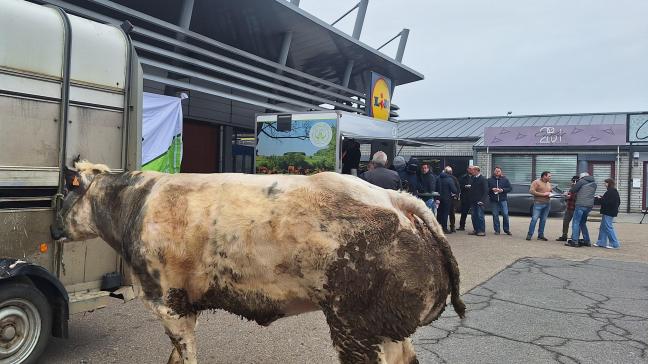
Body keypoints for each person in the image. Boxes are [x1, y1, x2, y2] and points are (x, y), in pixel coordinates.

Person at [566, 172, 597, 247]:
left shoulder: (582, 181)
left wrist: (575, 185)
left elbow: (573, 190)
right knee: (582, 223)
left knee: (576, 222)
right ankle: (587, 241)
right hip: (589, 206)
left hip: (580, 204)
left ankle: (575, 241)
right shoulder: (594, 183)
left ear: (582, 177)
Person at [594, 178, 621, 249]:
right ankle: (601, 242)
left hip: (608, 212)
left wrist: (599, 198)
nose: (604, 184)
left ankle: (614, 243)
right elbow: (615, 201)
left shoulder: (610, 192)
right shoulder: (613, 191)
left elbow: (607, 202)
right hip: (609, 211)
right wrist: (602, 198)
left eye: (605, 183)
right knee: (603, 227)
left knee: (608, 227)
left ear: (609, 183)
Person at [527, 171, 552, 241]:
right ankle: (529, 234)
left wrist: (550, 193)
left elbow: (550, 191)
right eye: (549, 176)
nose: (550, 177)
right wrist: (543, 194)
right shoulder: (536, 182)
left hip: (547, 204)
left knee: (543, 220)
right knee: (534, 219)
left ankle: (540, 235)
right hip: (538, 203)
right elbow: (531, 191)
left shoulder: (548, 183)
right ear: (544, 176)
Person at [487, 166, 512, 235]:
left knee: (505, 214)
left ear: (501, 172)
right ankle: (497, 230)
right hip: (494, 200)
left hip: (503, 200)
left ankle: (506, 230)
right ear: (494, 172)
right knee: (495, 215)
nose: (497, 172)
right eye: (496, 171)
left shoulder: (505, 179)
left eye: (499, 171)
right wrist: (492, 189)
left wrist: (502, 190)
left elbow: (510, 188)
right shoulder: (489, 180)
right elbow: (486, 189)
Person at [556, 175, 580, 241]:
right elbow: (568, 197)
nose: (572, 182)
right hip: (569, 207)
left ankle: (574, 237)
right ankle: (564, 235)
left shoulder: (580, 188)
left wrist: (569, 196)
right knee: (565, 222)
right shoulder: (572, 187)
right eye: (572, 181)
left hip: (575, 208)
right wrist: (566, 196)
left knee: (575, 224)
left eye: (574, 181)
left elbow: (577, 198)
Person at [436, 167, 458, 233]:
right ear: (450, 172)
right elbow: (454, 190)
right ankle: (444, 229)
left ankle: (438, 228)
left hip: (438, 198)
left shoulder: (438, 178)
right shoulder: (449, 179)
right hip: (447, 199)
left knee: (439, 213)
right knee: (445, 214)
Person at [467, 166, 488, 236]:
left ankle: (481, 230)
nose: (471, 171)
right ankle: (476, 230)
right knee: (473, 216)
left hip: (479, 201)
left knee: (480, 216)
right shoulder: (473, 178)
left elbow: (485, 191)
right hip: (473, 201)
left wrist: (482, 200)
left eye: (472, 170)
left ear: (476, 171)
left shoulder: (483, 179)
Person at [457, 166, 474, 231]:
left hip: (473, 197)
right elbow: (459, 186)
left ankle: (476, 228)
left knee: (474, 214)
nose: (471, 170)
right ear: (467, 169)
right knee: (464, 213)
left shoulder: (475, 177)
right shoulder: (463, 177)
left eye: (472, 169)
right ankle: (462, 226)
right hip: (465, 197)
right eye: (469, 169)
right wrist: (464, 186)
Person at [445, 167, 461, 232]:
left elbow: (458, 188)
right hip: (452, 198)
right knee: (452, 213)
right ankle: (452, 227)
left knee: (445, 213)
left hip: (448, 198)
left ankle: (445, 226)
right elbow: (458, 188)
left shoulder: (444, 178)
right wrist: (457, 196)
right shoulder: (454, 178)